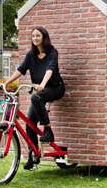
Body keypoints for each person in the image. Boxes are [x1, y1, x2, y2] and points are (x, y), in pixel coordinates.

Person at [5, 26, 65, 170]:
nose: (35, 38)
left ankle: (48, 130)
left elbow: (50, 69)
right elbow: (21, 70)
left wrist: (43, 84)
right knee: (30, 122)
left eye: (38, 35)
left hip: (55, 88)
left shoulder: (52, 52)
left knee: (36, 98)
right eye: (33, 36)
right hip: (41, 91)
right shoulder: (30, 55)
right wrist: (7, 82)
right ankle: (34, 155)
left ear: (44, 37)